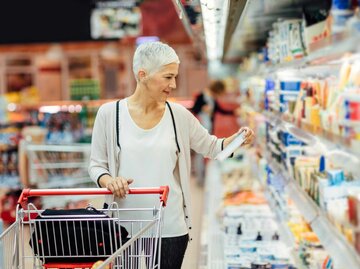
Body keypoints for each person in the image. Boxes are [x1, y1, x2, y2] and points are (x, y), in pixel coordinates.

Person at [88, 41, 254, 269]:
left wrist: (238, 138)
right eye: (167, 77)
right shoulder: (109, 114)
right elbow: (97, 165)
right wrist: (110, 181)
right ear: (142, 74)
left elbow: (213, 148)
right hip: (123, 227)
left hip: (170, 226)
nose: (173, 84)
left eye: (174, 77)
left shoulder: (179, 116)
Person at [191, 80, 240, 185]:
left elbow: (220, 110)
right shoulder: (201, 96)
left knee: (206, 153)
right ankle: (199, 178)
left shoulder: (213, 98)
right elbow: (194, 109)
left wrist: (233, 112)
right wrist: (203, 109)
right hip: (200, 128)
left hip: (208, 128)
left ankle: (203, 176)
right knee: (200, 154)